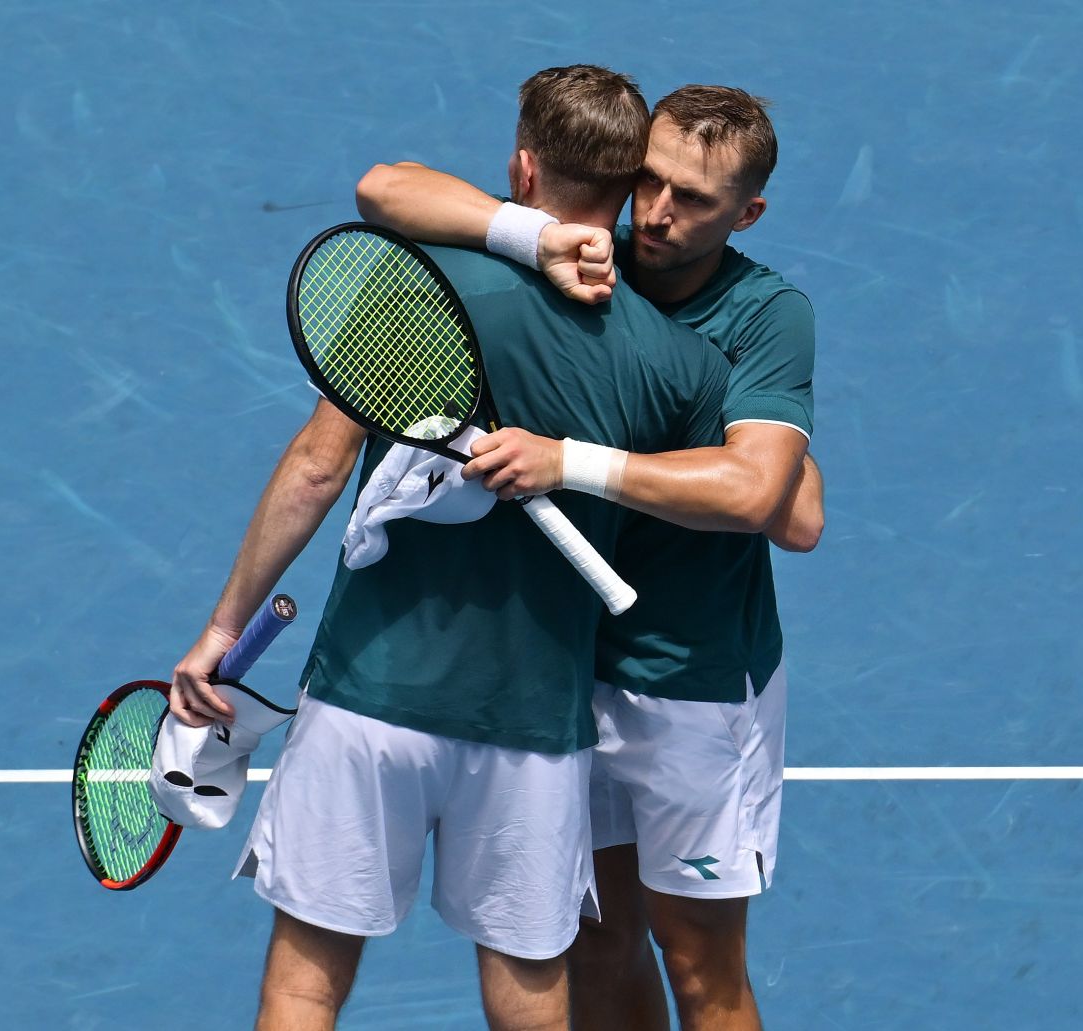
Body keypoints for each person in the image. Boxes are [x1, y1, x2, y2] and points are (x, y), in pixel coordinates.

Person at [171, 66, 732, 1031]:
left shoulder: (416, 284)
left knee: (307, 982)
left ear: (522, 167)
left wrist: (223, 629)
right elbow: (738, 509)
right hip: (535, 727)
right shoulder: (673, 360)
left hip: (368, 702)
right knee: (530, 998)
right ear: (631, 184)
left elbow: (316, 468)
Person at [356, 85, 820, 1031]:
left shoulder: (767, 316)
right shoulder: (587, 256)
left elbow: (773, 502)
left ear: (748, 213)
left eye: (694, 199)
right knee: (595, 940)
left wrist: (568, 461)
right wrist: (530, 236)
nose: (657, 212)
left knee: (700, 967)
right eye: (648, 181)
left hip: (689, 679)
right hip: (572, 668)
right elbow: (385, 187)